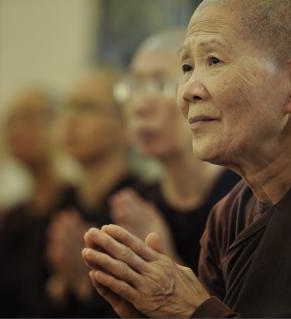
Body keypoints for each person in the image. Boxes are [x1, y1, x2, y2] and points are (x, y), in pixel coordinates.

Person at [82, 0, 291, 317]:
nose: (188, 90)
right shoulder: (227, 219)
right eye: (187, 67)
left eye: (214, 60)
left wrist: (192, 310)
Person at [110, 28, 240, 271]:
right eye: (134, 86)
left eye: (159, 84)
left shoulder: (242, 201)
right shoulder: (136, 202)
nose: (139, 105)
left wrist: (165, 262)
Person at [46, 67, 141, 317]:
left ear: (125, 127)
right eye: (67, 107)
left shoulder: (140, 206)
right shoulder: (60, 203)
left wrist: (82, 284)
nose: (69, 120)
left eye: (86, 108)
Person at [0, 89, 74, 317]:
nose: (15, 130)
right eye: (10, 121)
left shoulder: (76, 206)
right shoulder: (11, 218)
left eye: (29, 118)